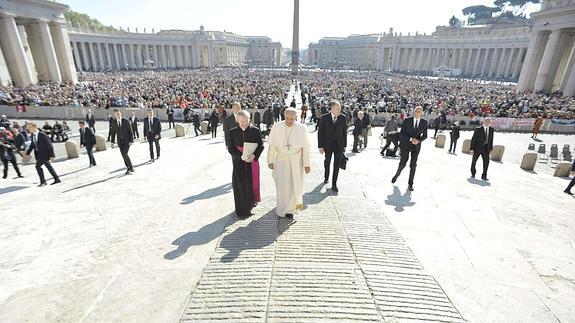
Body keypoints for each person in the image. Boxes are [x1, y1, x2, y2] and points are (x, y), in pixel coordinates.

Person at [267, 108, 311, 218]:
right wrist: (270, 160)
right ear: (284, 116)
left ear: (296, 117)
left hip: (296, 161)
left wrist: (307, 164)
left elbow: (305, 148)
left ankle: (291, 210)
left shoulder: (302, 129)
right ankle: (281, 209)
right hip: (281, 159)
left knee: (294, 185)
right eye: (287, 118)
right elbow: (272, 145)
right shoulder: (277, 127)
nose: (289, 121)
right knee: (282, 185)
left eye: (291, 119)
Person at [227, 110, 264, 218]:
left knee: (251, 183)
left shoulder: (255, 130)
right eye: (241, 121)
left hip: (252, 161)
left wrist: (254, 155)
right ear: (237, 120)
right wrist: (240, 157)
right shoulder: (232, 132)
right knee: (240, 185)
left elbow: (261, 146)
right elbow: (231, 148)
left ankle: (250, 205)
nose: (243, 123)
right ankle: (241, 209)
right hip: (238, 162)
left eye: (246, 121)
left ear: (249, 119)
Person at [391, 106, 428, 191]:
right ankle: (397, 175)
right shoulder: (407, 120)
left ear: (422, 113)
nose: (417, 113)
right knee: (403, 163)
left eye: (419, 111)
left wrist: (418, 141)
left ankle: (410, 184)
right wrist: (411, 139)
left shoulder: (424, 122)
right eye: (416, 111)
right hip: (406, 144)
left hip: (416, 146)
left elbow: (425, 135)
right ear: (414, 112)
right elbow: (401, 134)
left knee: (413, 165)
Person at [318, 100, 347, 192]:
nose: (339, 110)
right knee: (328, 161)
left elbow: (344, 132)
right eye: (337, 109)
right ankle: (326, 177)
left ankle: (334, 184)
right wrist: (320, 146)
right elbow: (320, 133)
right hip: (328, 144)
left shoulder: (343, 118)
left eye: (340, 108)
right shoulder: (324, 118)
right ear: (332, 109)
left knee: (337, 164)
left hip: (339, 145)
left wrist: (344, 145)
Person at [111, 109, 134, 174]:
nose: (118, 115)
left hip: (127, 141)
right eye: (116, 114)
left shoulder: (126, 121)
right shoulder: (114, 122)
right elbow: (113, 132)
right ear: (114, 115)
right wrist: (112, 142)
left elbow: (130, 131)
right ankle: (129, 167)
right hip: (120, 141)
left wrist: (131, 140)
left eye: (118, 113)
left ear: (120, 113)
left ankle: (130, 167)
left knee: (125, 154)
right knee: (123, 155)